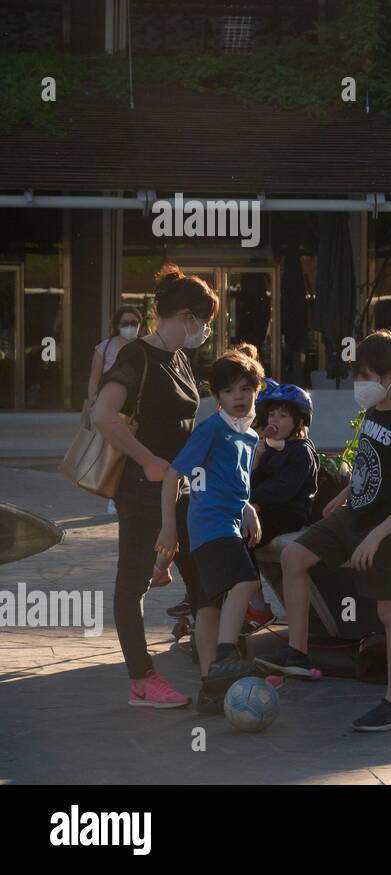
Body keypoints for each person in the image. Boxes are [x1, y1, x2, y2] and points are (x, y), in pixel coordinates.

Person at [257, 330, 391, 733]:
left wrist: (375, 537)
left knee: (389, 611)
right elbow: (371, 463)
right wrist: (347, 492)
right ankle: (298, 651)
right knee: (293, 556)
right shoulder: (374, 413)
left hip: (386, 528)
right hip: (354, 515)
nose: (357, 384)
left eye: (364, 375)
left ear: (389, 377)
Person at [92, 264, 219, 709]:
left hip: (179, 489)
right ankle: (142, 680)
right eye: (203, 322)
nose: (204, 331)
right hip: (143, 489)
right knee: (133, 584)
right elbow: (103, 416)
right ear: (185, 315)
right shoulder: (136, 357)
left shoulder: (179, 356)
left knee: (204, 582)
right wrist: (148, 461)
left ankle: (214, 675)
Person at [154, 344, 265, 714]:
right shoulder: (212, 429)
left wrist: (248, 507)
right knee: (247, 584)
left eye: (245, 389)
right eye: (229, 391)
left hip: (227, 523)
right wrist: (169, 528)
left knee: (209, 606)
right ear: (217, 396)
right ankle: (226, 654)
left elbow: (232, 482)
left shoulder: (248, 436)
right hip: (209, 525)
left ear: (256, 391)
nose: (238, 397)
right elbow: (174, 473)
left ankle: (210, 689)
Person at [243, 381, 319, 634]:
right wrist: (258, 459)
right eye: (272, 414)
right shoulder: (272, 449)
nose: (275, 420)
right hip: (264, 509)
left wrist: (255, 502)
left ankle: (256, 605)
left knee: (242, 538)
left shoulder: (300, 451)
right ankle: (243, 600)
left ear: (298, 422)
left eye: (283, 416)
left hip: (288, 513)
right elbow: (250, 482)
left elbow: (283, 489)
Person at [88, 306, 144, 405]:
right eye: (125, 323)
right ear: (117, 325)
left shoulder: (145, 347)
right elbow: (94, 379)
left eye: (134, 323)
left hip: (137, 407)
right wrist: (94, 401)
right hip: (107, 405)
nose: (130, 327)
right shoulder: (104, 348)